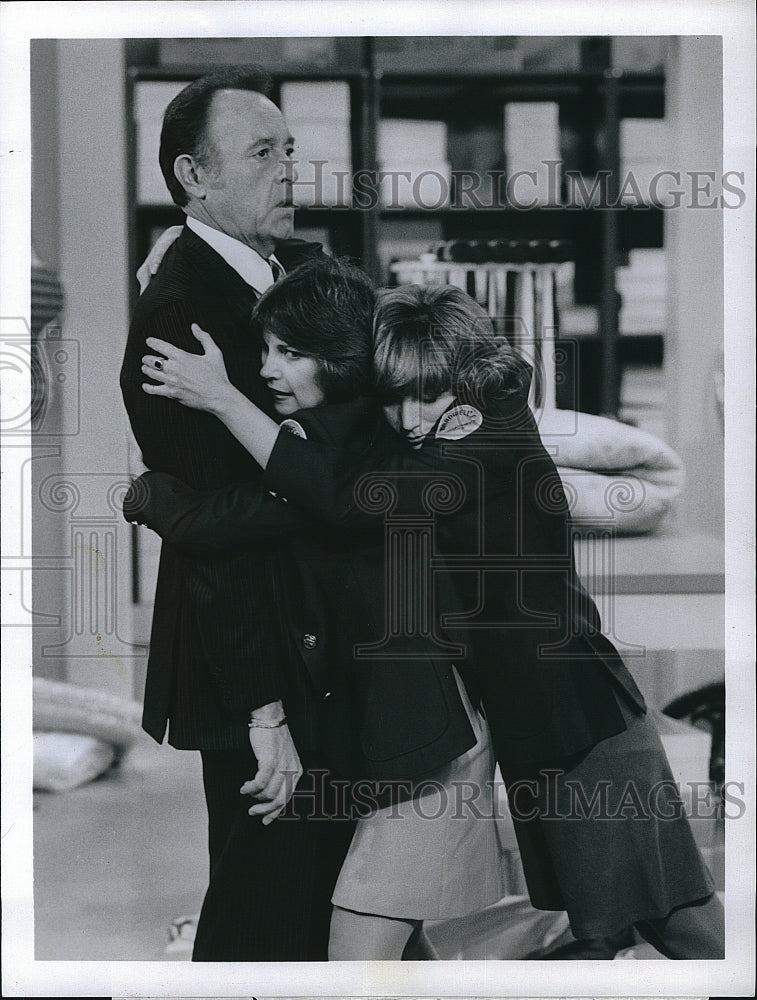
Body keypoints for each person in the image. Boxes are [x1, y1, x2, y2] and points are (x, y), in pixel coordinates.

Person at [133, 279, 724, 961]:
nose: (411, 417)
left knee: (674, 915)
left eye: (428, 395)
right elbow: (293, 500)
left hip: (579, 719)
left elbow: (347, 500)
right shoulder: (451, 423)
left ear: (462, 381)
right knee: (613, 919)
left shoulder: (484, 437)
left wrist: (220, 401)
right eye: (397, 397)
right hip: (535, 724)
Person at [126, 256, 512, 960]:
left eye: (289, 353)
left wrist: (148, 490)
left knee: (341, 938)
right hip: (396, 723)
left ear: (338, 359)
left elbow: (212, 525)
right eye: (266, 348)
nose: (268, 369)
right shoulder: (354, 433)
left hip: (410, 732)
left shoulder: (333, 447)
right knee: (368, 933)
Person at [119, 67, 354, 962]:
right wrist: (265, 713)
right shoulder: (178, 311)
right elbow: (220, 533)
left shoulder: (289, 272)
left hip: (324, 646)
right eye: (263, 153)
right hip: (264, 665)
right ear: (194, 176)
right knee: (263, 910)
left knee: (332, 899)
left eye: (290, 149)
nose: (289, 169)